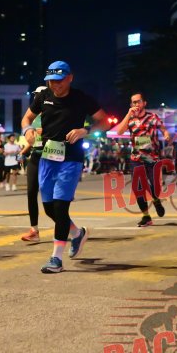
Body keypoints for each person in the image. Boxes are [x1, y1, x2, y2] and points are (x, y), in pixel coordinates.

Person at [21, 61, 109, 273]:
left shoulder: (81, 98)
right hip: (47, 158)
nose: (55, 85)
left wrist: (85, 130)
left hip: (71, 159)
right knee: (50, 209)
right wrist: (27, 130)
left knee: (61, 207)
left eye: (59, 80)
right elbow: (27, 118)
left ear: (70, 78)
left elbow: (105, 121)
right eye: (51, 81)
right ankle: (77, 233)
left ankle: (56, 259)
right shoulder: (42, 96)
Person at [114, 92, 171, 227]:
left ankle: (156, 200)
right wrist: (128, 114)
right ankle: (146, 216)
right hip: (136, 158)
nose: (136, 104)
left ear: (144, 103)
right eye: (133, 102)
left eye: (138, 101)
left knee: (154, 187)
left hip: (152, 158)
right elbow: (119, 132)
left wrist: (166, 134)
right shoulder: (130, 119)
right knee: (138, 188)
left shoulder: (153, 117)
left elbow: (163, 129)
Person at [18, 86, 47, 242]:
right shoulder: (33, 117)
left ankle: (67, 227)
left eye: (39, 95)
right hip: (35, 156)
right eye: (35, 95)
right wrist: (23, 152)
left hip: (51, 157)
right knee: (31, 192)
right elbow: (32, 139)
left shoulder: (53, 112)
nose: (36, 98)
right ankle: (34, 230)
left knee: (51, 197)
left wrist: (42, 131)